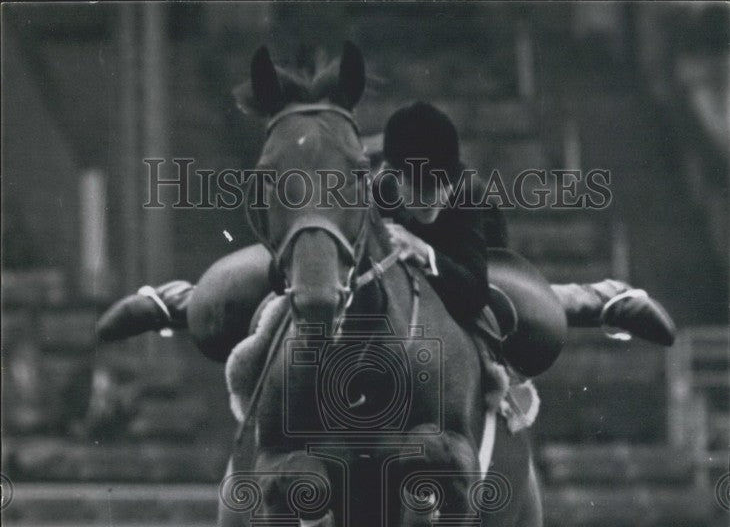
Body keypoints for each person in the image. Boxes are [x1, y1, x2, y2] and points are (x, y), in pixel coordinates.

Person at [97, 102, 675, 388]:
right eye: (420, 187)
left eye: (440, 184)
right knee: (264, 280)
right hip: (362, 258)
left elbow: (473, 289)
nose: (432, 198)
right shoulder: (357, 182)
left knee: (524, 307)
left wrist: (422, 250)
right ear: (389, 173)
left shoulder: (464, 195)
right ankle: (174, 301)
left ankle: (600, 299)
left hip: (467, 266)